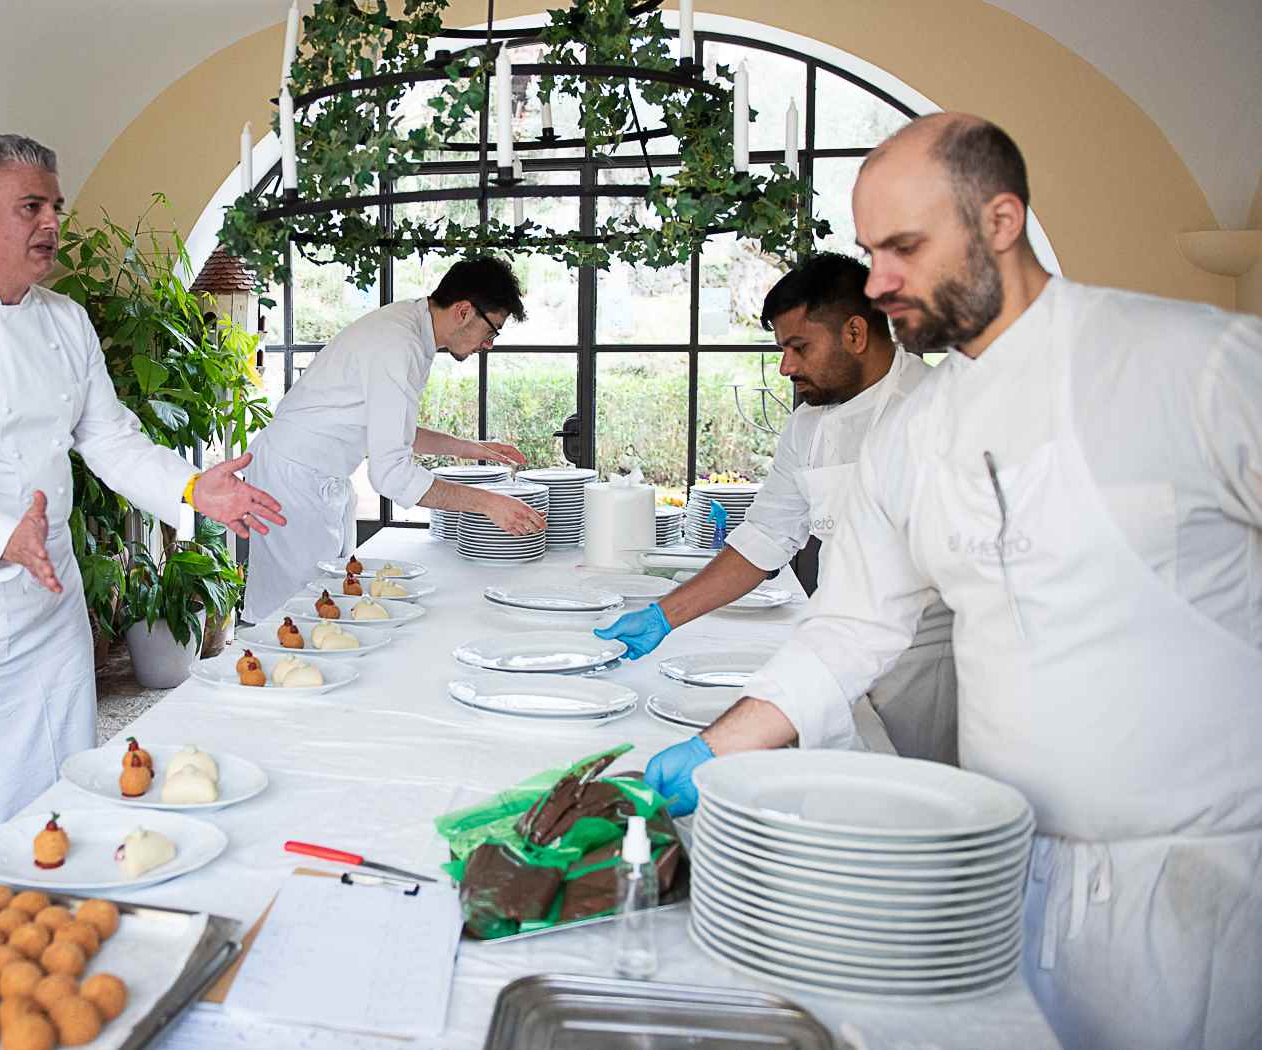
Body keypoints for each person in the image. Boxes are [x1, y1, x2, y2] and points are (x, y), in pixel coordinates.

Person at [645, 113, 1262, 1050]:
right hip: (1001, 863)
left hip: (1203, 874)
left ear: (1000, 221)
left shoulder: (1192, 362)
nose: (879, 280)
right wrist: (716, 746)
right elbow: (851, 625)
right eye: (868, 252)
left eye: (902, 248)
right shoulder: (914, 430)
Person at [0, 135, 287, 876]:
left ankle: (58, 900)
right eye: (31, 206)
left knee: (64, 761)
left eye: (55, 206)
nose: (51, 223)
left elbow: (109, 438)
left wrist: (192, 488)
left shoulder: (65, 320)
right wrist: (3, 537)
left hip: (51, 589)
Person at [596, 253, 957, 764]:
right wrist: (663, 615)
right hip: (836, 638)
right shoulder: (808, 424)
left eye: (798, 347)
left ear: (855, 333)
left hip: (924, 663)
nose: (786, 366)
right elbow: (764, 537)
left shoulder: (934, 410)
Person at [242, 255, 546, 620]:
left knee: (320, 606)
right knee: (294, 616)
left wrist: (473, 449)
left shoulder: (412, 329)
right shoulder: (398, 343)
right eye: (492, 330)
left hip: (312, 475)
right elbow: (390, 475)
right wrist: (488, 504)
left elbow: (392, 428)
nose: (489, 344)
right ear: (464, 311)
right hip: (293, 480)